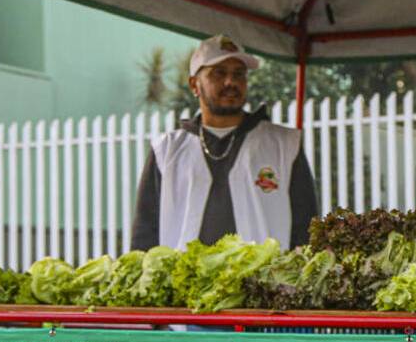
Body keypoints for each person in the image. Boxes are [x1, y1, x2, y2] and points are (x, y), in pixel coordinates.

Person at [131, 34, 317, 251]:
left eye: (239, 74)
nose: (231, 82)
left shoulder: (285, 144)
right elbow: (145, 233)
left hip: (265, 283)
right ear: (194, 84)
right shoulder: (167, 150)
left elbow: (306, 228)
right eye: (218, 73)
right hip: (186, 283)